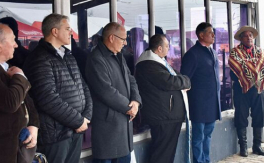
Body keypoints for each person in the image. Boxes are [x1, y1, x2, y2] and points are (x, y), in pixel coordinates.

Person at [23, 14, 93, 163]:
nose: (71, 32)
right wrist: (78, 121)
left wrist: (86, 117)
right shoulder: (39, 58)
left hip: (75, 131)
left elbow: (84, 87)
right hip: (55, 136)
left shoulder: (68, 56)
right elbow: (47, 98)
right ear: (55, 31)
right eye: (67, 28)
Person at [85, 22, 142, 163]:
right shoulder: (96, 59)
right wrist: (129, 108)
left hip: (124, 124)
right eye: (123, 39)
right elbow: (106, 91)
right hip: (108, 126)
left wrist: (135, 102)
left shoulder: (118, 55)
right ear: (111, 38)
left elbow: (131, 80)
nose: (125, 43)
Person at [135, 34, 191, 163]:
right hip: (162, 116)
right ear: (159, 48)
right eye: (167, 46)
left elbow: (179, 76)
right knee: (162, 154)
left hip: (167, 115)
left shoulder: (160, 62)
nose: (168, 48)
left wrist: (184, 80)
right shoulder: (148, 64)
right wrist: (185, 82)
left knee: (167, 153)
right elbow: (170, 81)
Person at [229, 26, 264, 157]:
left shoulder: (260, 51)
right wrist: (254, 67)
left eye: (251, 36)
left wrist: (249, 65)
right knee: (241, 117)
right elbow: (237, 66)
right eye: (246, 36)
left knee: (259, 116)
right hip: (241, 89)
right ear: (241, 39)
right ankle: (243, 147)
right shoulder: (234, 52)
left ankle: (257, 145)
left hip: (259, 88)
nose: (249, 38)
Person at [181, 22, 221, 163]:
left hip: (212, 103)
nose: (213, 35)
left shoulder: (212, 52)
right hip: (199, 104)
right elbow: (184, 80)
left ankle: (206, 160)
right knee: (198, 137)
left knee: (208, 136)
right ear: (201, 35)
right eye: (210, 33)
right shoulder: (193, 54)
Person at [0, 23, 39, 163]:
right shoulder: (15, 73)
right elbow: (10, 103)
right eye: (13, 40)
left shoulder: (8, 68)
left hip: (18, 150)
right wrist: (20, 77)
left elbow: (28, 101)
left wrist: (34, 125)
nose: (16, 45)